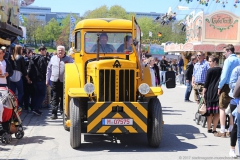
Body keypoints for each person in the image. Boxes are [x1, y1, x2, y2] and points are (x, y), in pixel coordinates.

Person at [215, 44, 240, 138]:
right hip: (237, 86)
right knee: (232, 108)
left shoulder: (228, 60)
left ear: (229, 51)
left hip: (227, 86)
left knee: (222, 108)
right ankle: (231, 129)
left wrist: (219, 86)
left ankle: (222, 130)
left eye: (224, 52)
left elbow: (224, 75)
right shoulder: (238, 60)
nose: (224, 54)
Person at [46, 45, 74, 119]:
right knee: (55, 97)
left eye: (62, 50)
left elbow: (74, 68)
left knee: (63, 97)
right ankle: (54, 113)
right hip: (54, 80)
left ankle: (62, 112)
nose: (60, 51)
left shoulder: (69, 59)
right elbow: (48, 69)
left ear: (64, 51)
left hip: (64, 81)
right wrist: (47, 79)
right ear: (57, 51)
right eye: (59, 50)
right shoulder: (53, 58)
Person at [202, 56, 221, 134]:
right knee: (217, 112)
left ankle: (209, 128)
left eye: (210, 61)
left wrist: (203, 92)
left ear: (214, 62)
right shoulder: (221, 70)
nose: (209, 63)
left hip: (210, 92)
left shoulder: (210, 70)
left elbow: (206, 82)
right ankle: (214, 129)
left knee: (209, 112)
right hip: (218, 92)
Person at [28, 46, 48, 116]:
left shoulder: (32, 58)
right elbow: (44, 70)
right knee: (42, 94)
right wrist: (46, 79)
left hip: (34, 79)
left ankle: (34, 108)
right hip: (41, 79)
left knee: (36, 94)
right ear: (42, 50)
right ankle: (36, 109)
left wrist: (30, 78)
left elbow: (29, 69)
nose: (45, 52)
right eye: (45, 51)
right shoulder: (42, 58)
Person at [228, 65, 240, 158]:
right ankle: (232, 148)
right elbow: (232, 84)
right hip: (236, 100)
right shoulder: (237, 69)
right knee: (235, 126)